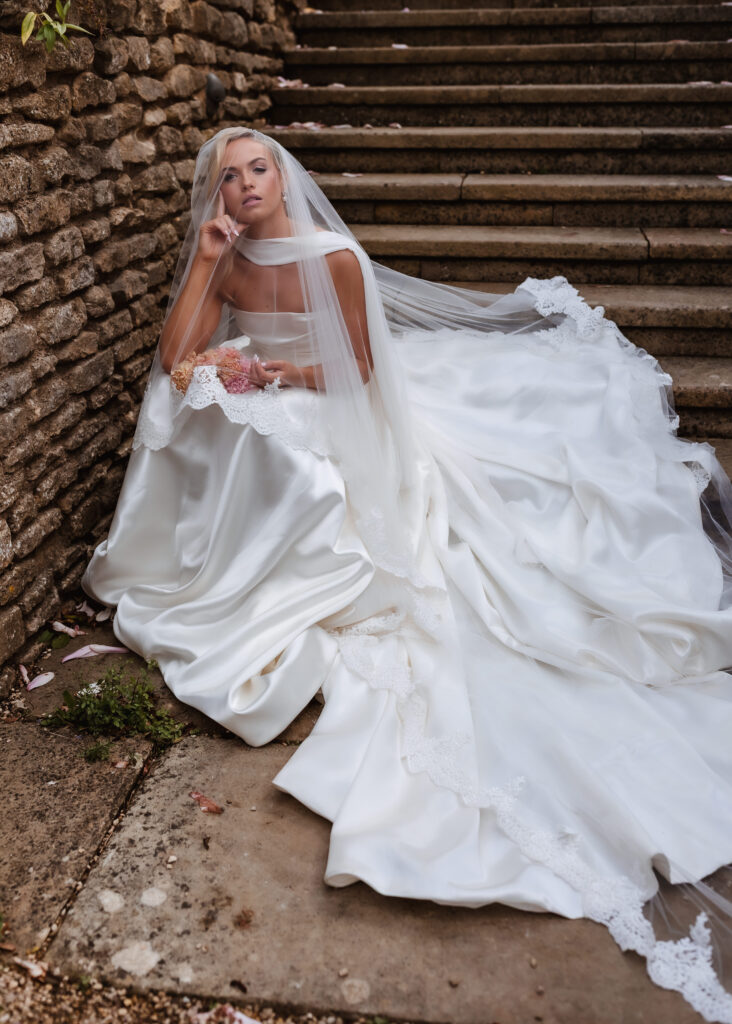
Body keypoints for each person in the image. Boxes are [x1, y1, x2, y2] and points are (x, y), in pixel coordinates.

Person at [81, 126, 732, 1022]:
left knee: (296, 459)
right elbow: (179, 357)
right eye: (227, 178)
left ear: (282, 177)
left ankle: (294, 568)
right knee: (194, 404)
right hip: (277, 396)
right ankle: (216, 564)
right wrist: (203, 268)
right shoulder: (225, 257)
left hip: (338, 399)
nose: (244, 187)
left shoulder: (336, 257)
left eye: (258, 169)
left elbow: (361, 369)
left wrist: (279, 374)